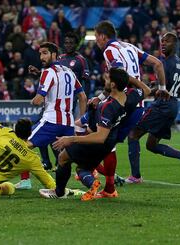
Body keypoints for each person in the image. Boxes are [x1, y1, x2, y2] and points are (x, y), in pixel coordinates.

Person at [92, 21, 169, 193]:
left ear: (103, 36)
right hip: (137, 104)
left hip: (122, 103)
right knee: (103, 139)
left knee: (99, 138)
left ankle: (102, 179)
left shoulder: (109, 50)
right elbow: (157, 63)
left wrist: (143, 87)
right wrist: (162, 89)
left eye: (96, 37)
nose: (96, 41)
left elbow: (120, 76)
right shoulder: (129, 46)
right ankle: (107, 181)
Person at [39, 68, 135, 201]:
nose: (104, 79)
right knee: (82, 168)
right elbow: (146, 90)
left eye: (107, 79)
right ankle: (93, 183)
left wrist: (71, 139)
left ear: (113, 85)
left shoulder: (107, 107)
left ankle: (59, 192)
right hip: (109, 143)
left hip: (97, 142)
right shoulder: (130, 96)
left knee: (62, 158)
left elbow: (99, 137)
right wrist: (126, 78)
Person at [128, 32, 180, 179]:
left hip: (161, 106)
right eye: (162, 41)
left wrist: (145, 91)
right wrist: (169, 90)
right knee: (151, 145)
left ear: (175, 44)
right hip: (172, 106)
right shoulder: (179, 63)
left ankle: (135, 177)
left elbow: (161, 90)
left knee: (133, 134)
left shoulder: (164, 63)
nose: (163, 44)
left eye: (167, 41)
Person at [14, 42, 82, 190]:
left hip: (51, 122)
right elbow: (82, 97)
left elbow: (38, 100)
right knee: (70, 158)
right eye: (40, 53)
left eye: (45, 53)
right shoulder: (69, 72)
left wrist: (33, 100)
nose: (41, 57)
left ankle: (25, 180)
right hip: (68, 124)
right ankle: (98, 178)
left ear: (54, 54)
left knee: (21, 144)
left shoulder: (47, 73)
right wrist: (81, 121)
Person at [35, 31, 89, 171]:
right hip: (55, 104)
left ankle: (76, 165)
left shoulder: (81, 60)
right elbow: (51, 75)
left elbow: (85, 84)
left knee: (29, 138)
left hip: (72, 103)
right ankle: (51, 162)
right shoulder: (61, 59)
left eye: (71, 42)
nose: (68, 45)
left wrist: (82, 116)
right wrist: (38, 73)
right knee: (56, 137)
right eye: (66, 42)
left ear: (76, 44)